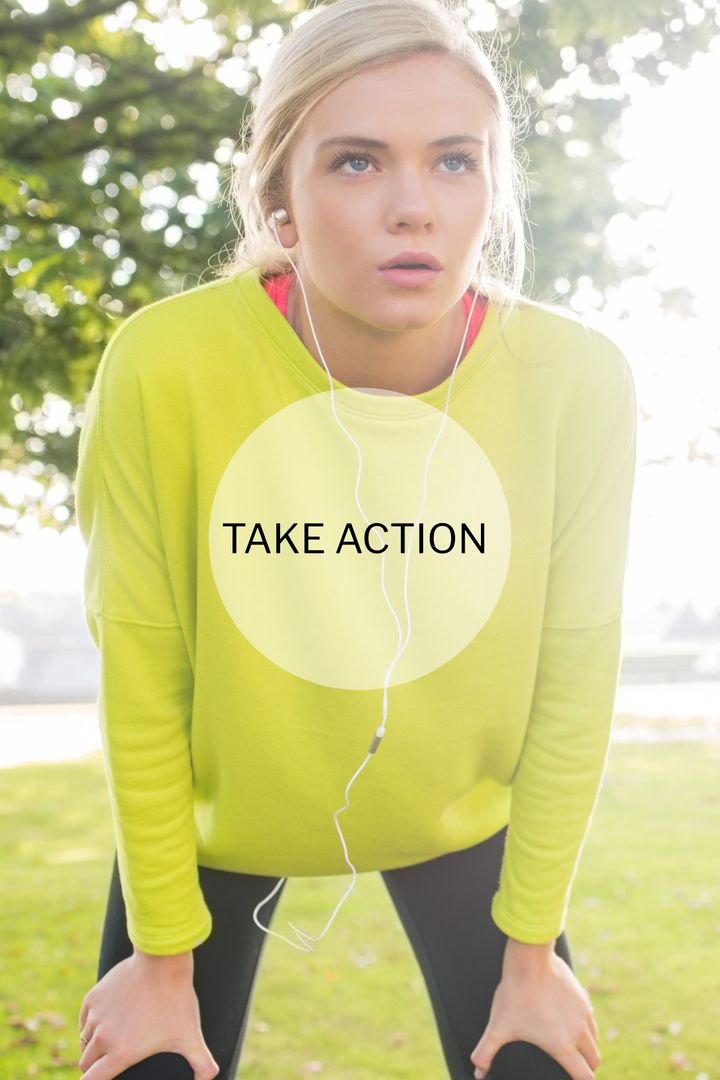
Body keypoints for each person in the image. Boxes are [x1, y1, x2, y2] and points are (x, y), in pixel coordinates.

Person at [73, 1, 637, 1078]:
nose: (414, 208)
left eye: (456, 162)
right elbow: (142, 665)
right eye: (357, 161)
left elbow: (577, 673)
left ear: (490, 185)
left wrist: (533, 952)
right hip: (218, 824)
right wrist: (157, 954)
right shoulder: (164, 364)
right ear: (278, 194)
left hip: (463, 821)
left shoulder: (576, 379)